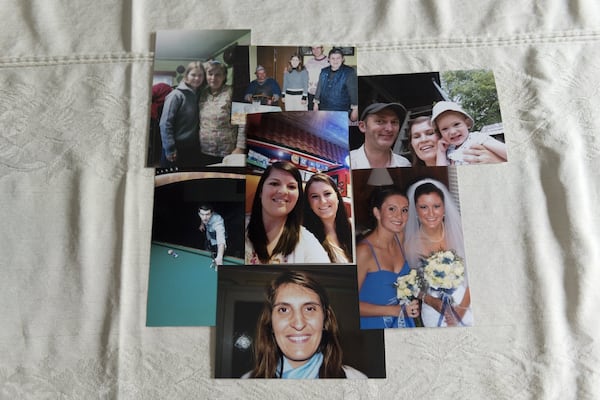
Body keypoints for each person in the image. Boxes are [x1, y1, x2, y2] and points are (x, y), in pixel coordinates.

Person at [243, 270, 367, 378]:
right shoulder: (246, 382)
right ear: (270, 323)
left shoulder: (357, 380)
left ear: (325, 319)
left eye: (309, 309)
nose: (298, 324)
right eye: (284, 309)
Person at [405, 179, 473, 327]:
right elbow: (411, 285)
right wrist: (431, 301)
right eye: (423, 207)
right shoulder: (411, 244)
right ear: (415, 210)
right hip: (434, 310)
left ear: (444, 208)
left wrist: (460, 311)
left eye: (436, 206)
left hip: (467, 302)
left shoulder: (461, 233)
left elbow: (477, 276)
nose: (430, 213)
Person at [356, 186, 420, 329]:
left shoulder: (400, 238)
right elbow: (348, 304)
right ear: (377, 212)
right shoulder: (363, 252)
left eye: (404, 210)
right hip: (373, 326)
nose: (399, 216)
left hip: (403, 323)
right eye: (392, 209)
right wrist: (395, 310)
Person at [245, 161, 329, 264]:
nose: (283, 191)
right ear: (261, 191)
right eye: (274, 183)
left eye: (291, 187)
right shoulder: (238, 227)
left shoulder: (307, 242)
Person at [199, 60, 246, 165]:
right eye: (210, 74)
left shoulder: (232, 93)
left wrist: (240, 148)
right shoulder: (202, 93)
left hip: (227, 151)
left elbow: (242, 122)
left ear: (224, 76)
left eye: (218, 74)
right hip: (204, 149)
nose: (213, 78)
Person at [431, 101, 507, 165]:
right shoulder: (449, 150)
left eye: (456, 124)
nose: (452, 132)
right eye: (445, 129)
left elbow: (507, 152)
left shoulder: (476, 137)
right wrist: (441, 152)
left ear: (467, 124)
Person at [159, 61, 205, 167]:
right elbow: (165, 124)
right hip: (175, 147)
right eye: (193, 75)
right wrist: (170, 148)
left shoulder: (200, 94)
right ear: (187, 76)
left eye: (200, 75)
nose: (197, 78)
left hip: (192, 148)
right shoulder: (176, 95)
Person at [303, 173, 353, 263]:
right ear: (309, 204)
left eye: (327, 194)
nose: (323, 201)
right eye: (315, 196)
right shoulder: (307, 240)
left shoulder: (352, 228)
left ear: (337, 196)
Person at [350, 103, 412, 169]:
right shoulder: (348, 163)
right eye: (380, 121)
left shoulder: (404, 164)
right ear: (363, 126)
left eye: (394, 122)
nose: (389, 129)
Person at [313, 48, 358, 121]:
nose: (335, 61)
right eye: (332, 58)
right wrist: (316, 103)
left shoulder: (349, 72)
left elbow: (353, 91)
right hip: (324, 108)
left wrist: (355, 109)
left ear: (342, 59)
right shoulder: (324, 71)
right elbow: (319, 87)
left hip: (341, 109)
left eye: (338, 58)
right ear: (328, 59)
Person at [304, 46, 329, 110]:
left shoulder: (329, 61)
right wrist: (289, 71)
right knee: (312, 117)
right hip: (310, 94)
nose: (315, 50)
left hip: (324, 95)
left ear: (322, 48)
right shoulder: (309, 62)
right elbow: (302, 72)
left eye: (318, 47)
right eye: (313, 48)